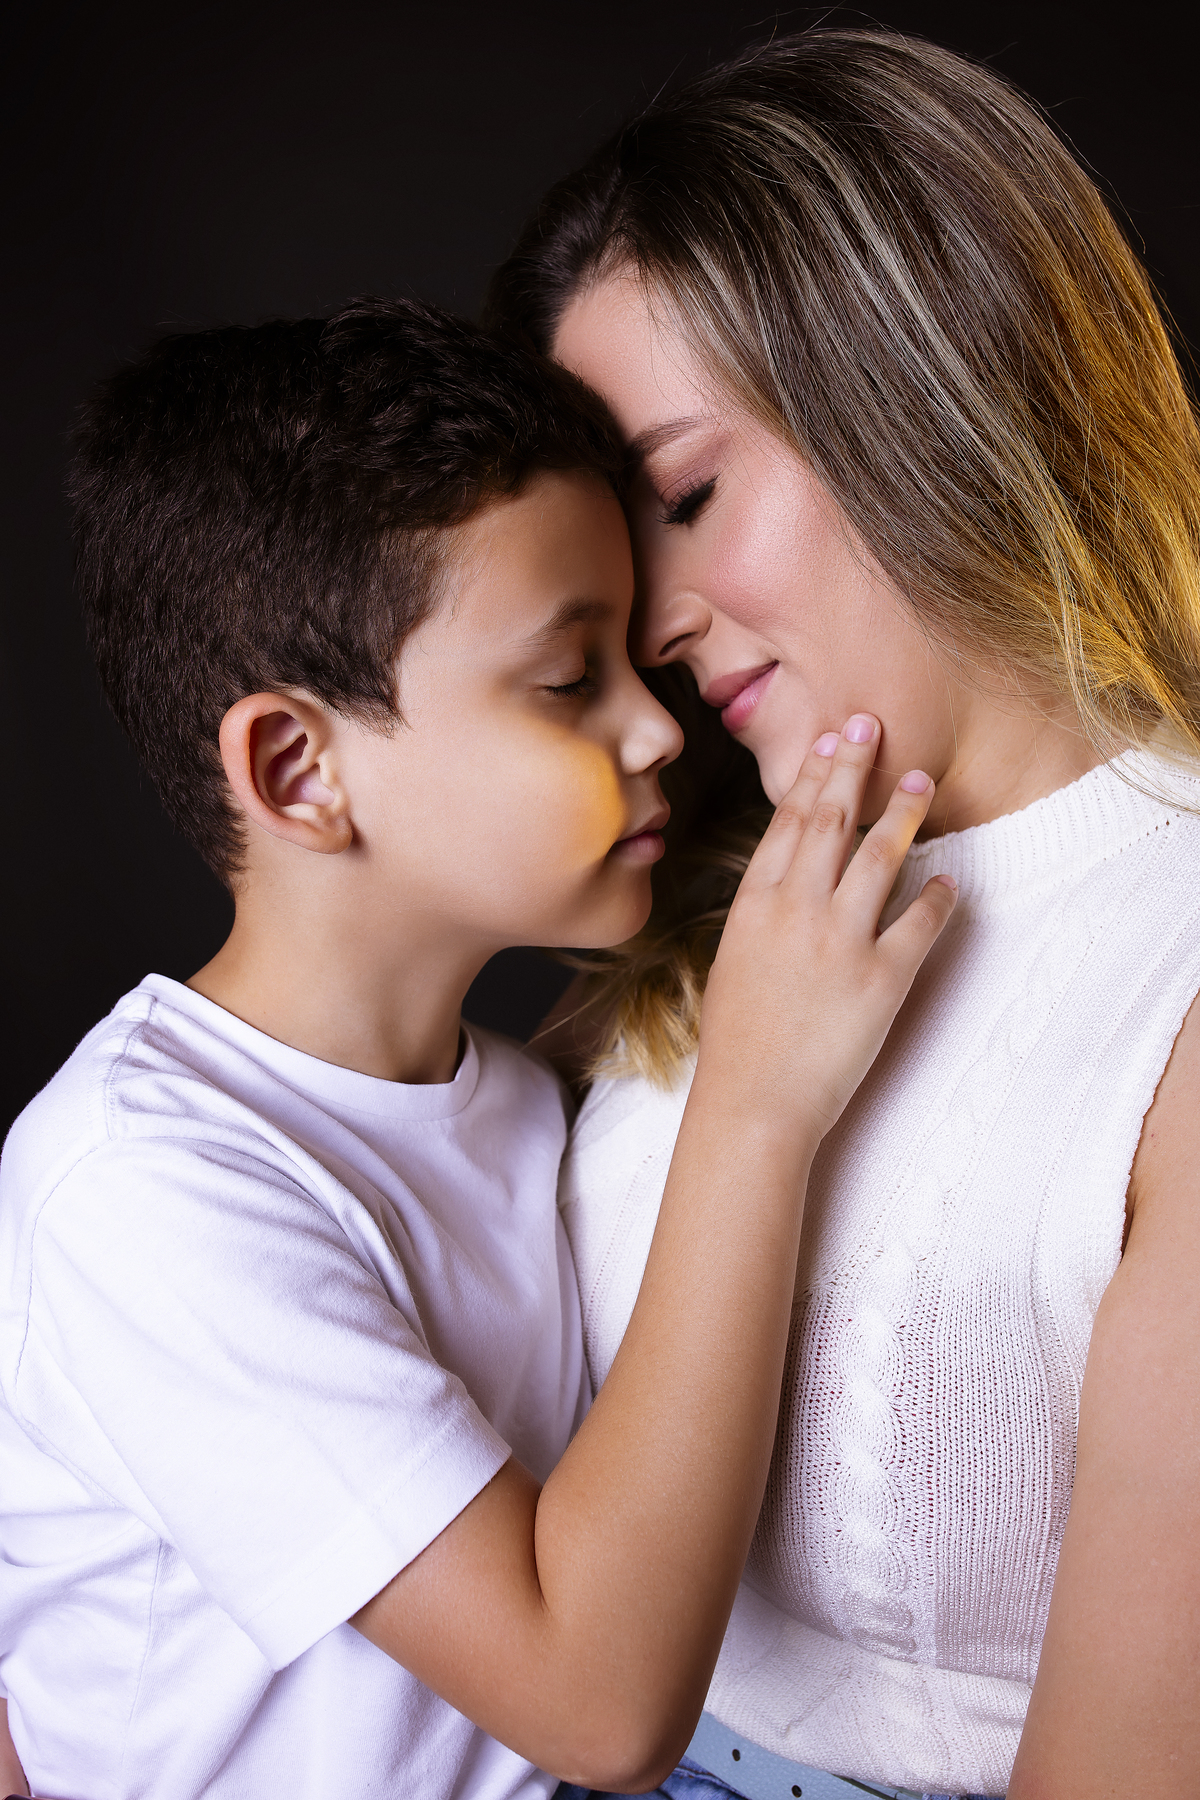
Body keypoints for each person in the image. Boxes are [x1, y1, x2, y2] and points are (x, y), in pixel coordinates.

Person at [0, 297, 956, 1800]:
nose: (658, 730)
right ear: (300, 770)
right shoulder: (142, 1186)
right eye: (570, 682)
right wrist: (756, 1110)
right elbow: (595, 1707)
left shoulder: (514, 1100)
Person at [485, 25, 1200, 1800]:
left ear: (922, 380)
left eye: (692, 493)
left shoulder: (1167, 958)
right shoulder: (693, 908)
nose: (649, 621)